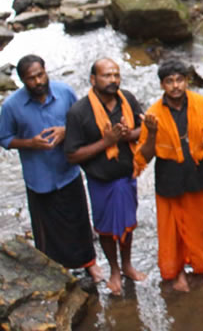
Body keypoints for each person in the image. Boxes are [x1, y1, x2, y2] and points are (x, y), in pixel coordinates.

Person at [134, 59, 203, 291]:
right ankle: (175, 271)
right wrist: (150, 134)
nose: (175, 86)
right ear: (162, 85)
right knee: (170, 230)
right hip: (168, 177)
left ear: (187, 81)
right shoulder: (153, 113)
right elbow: (145, 157)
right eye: (169, 81)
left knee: (200, 225)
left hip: (197, 173)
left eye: (179, 80)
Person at [0, 55, 102, 282]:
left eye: (40, 75)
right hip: (39, 177)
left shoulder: (64, 92)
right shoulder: (12, 106)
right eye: (31, 79)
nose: (37, 81)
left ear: (46, 71)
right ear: (22, 81)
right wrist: (30, 143)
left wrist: (66, 131)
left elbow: (82, 122)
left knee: (79, 221)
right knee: (47, 230)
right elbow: (4, 137)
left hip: (68, 170)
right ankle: (56, 271)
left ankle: (90, 265)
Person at [64, 58, 147, 295]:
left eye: (116, 75)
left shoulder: (127, 100)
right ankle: (113, 269)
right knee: (106, 229)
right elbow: (72, 155)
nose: (113, 80)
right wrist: (107, 142)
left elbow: (144, 129)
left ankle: (128, 265)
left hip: (127, 176)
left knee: (128, 226)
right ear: (93, 79)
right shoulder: (79, 112)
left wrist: (129, 134)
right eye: (107, 75)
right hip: (101, 181)